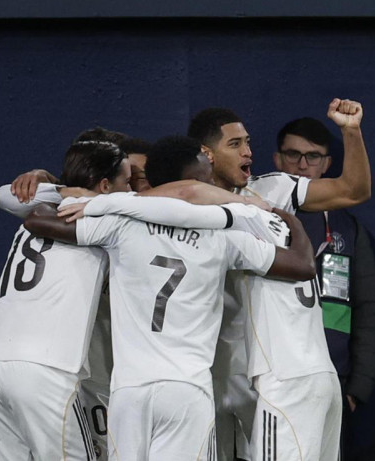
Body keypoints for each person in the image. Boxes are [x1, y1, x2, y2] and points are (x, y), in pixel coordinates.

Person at [23, 136, 317, 460]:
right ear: (196, 177)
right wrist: (292, 221)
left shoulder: (120, 225)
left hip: (128, 393)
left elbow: (36, 220)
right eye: (206, 170)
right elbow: (302, 266)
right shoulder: (224, 235)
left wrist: (67, 193)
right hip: (186, 390)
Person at [187, 99, 371, 461]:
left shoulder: (272, 191)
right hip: (222, 372)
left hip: (273, 371)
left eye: (249, 142)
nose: (249, 152)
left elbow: (354, 190)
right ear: (206, 153)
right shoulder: (181, 202)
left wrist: (351, 132)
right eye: (236, 144)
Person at [0, 140, 130, 460]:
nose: (131, 190)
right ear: (104, 185)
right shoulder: (102, 222)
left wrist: (48, 181)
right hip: (46, 367)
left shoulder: (36, 208)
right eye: (126, 182)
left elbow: (5, 194)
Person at [274, 117, 375, 439]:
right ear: (277, 159)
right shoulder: (255, 215)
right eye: (293, 155)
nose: (302, 165)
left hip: (333, 379)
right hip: (273, 377)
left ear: (327, 164)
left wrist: (356, 389)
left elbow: (368, 311)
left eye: (313, 156)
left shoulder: (347, 229)